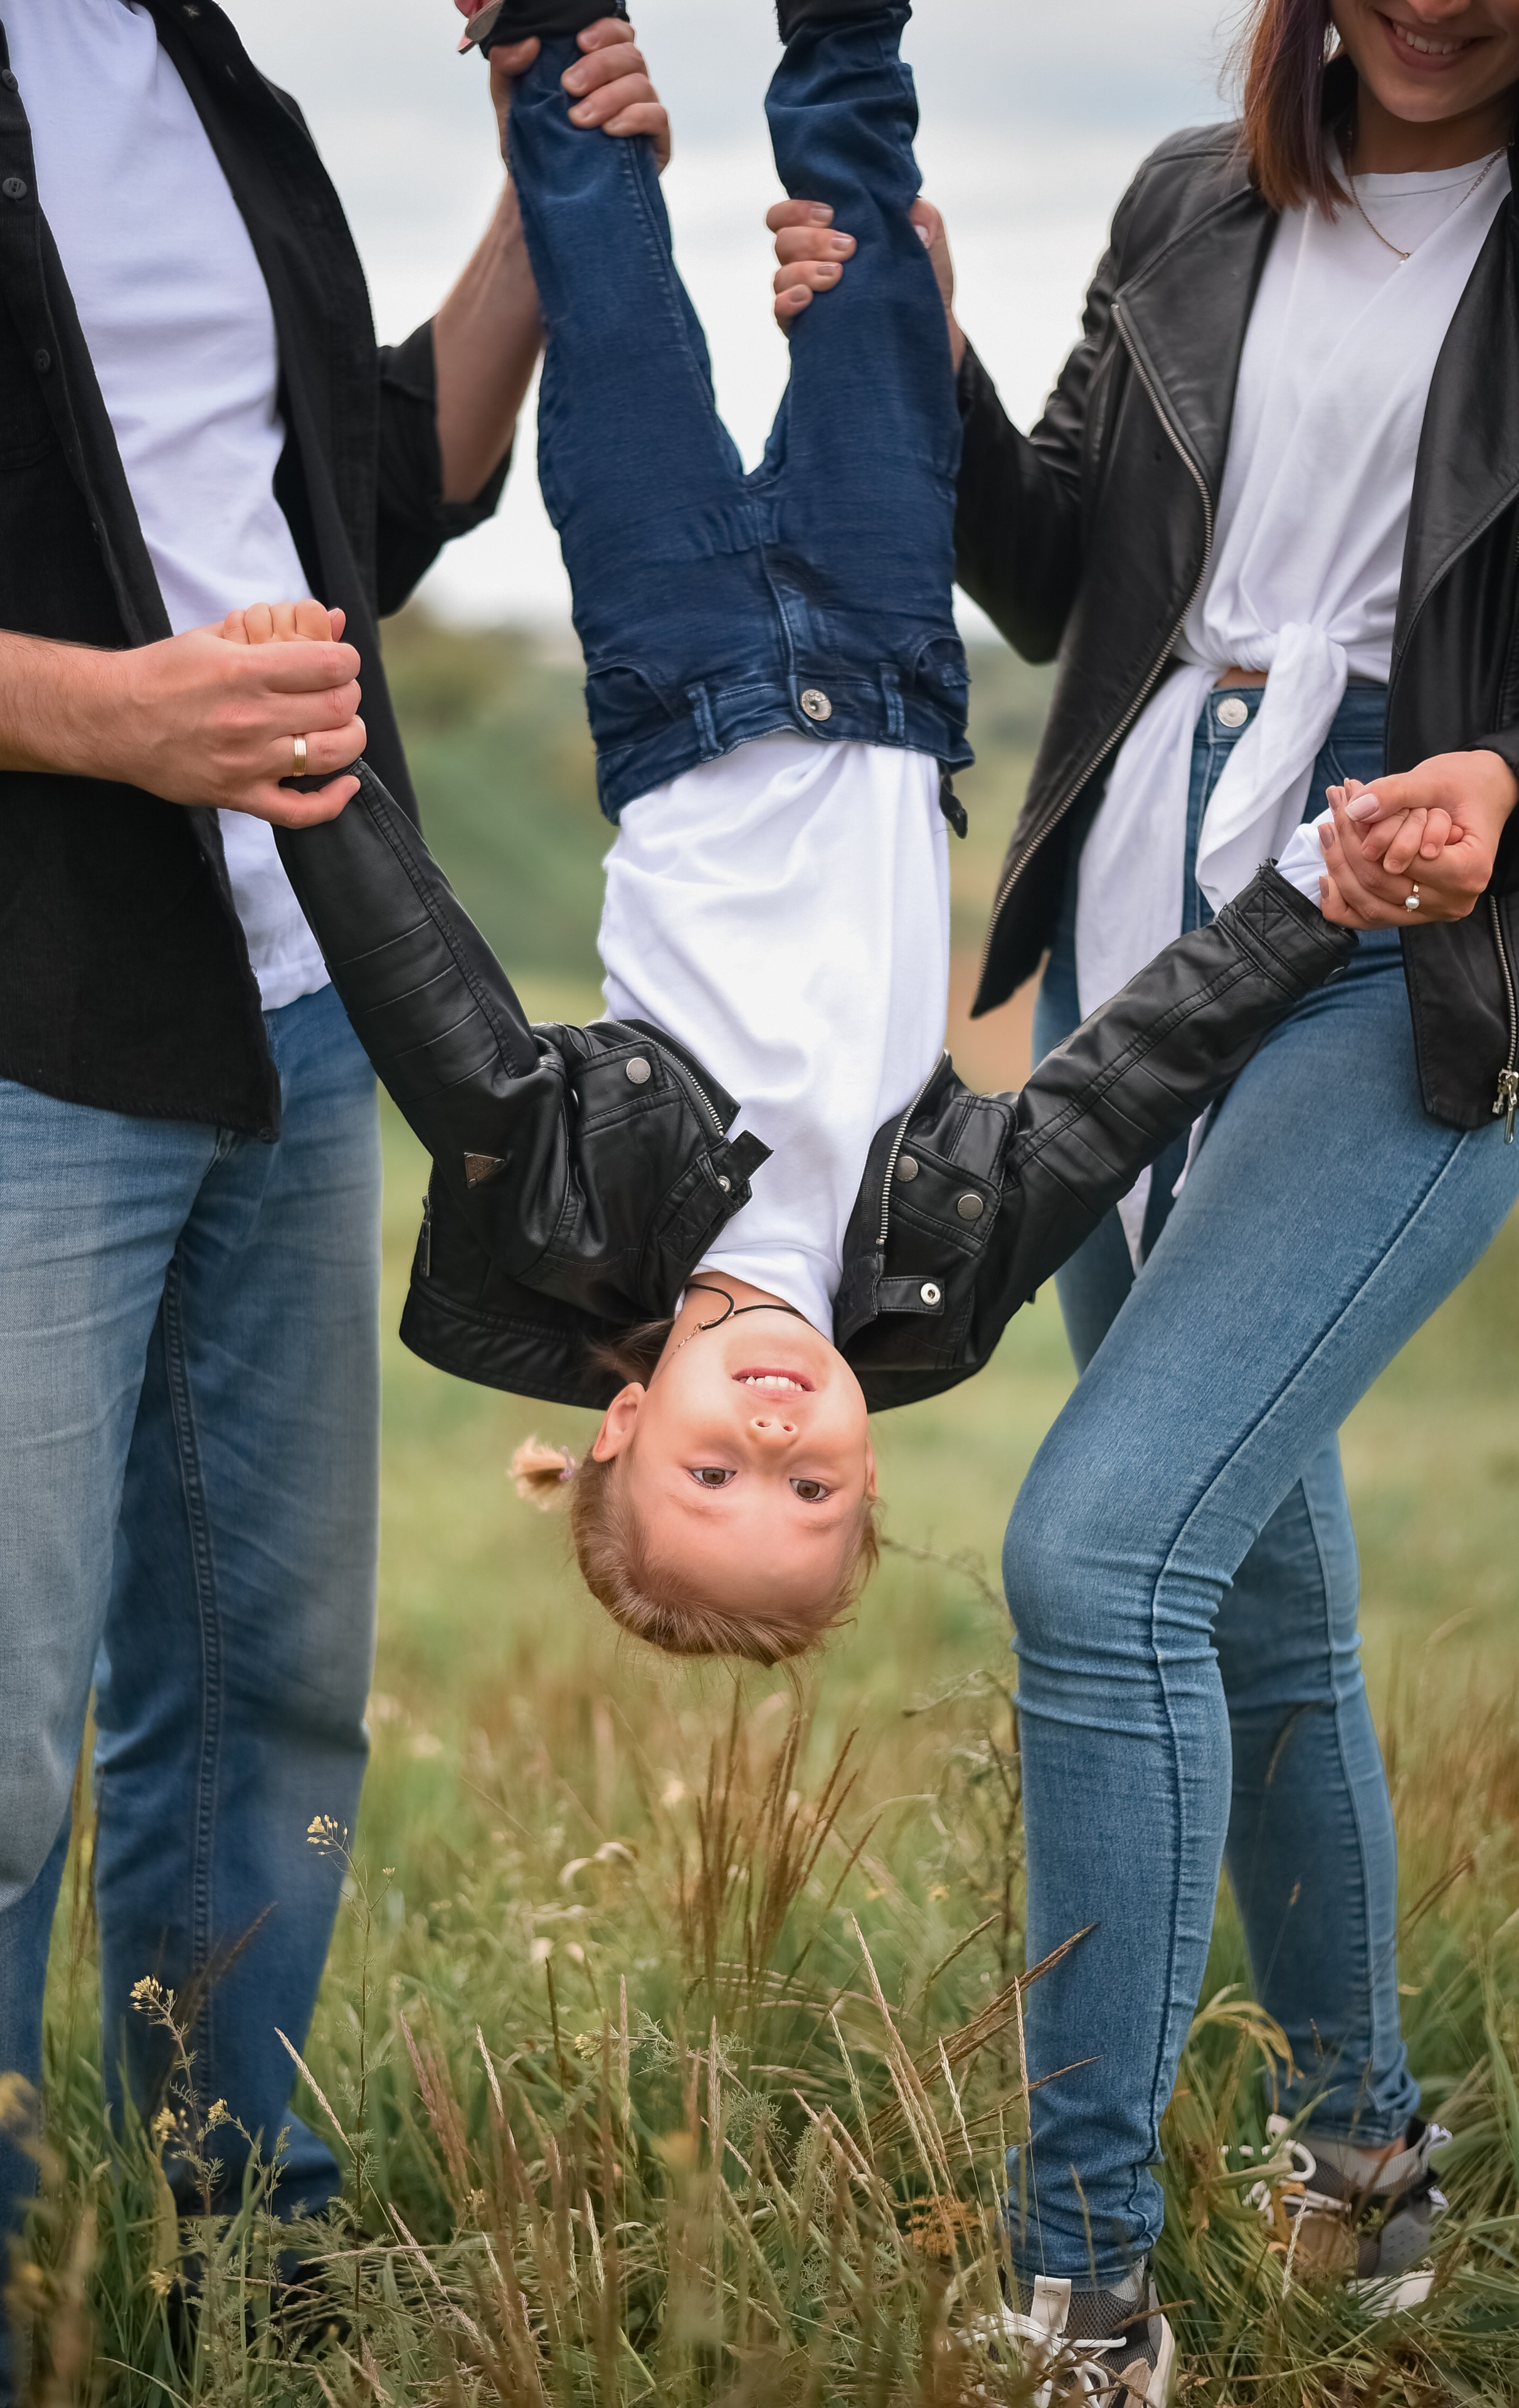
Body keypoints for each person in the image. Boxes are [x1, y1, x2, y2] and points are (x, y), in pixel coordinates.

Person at [271, 0, 1355, 1703]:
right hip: (892, 646)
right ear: (873, 1459)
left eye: (718, 1474)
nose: (776, 1436)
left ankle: (553, 27)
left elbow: (442, 1022)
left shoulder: (568, 1219)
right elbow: (1131, 1075)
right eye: (815, 1485)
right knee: (858, 215)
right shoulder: (950, 1268)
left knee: (603, 270)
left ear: (626, 1424)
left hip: (669, 654)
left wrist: (316, 791)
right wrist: (1309, 904)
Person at [0, 2, 663, 2394]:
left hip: (305, 997)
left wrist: (543, 203)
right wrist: (115, 715)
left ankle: (251, 2280)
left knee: (264, 1708)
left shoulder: (200, 60)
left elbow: (363, 482)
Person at [769, 0, 1519, 2382]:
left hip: (1409, 915)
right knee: (1258, 1590)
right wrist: (922, 343)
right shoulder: (1195, 201)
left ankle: (1084, 2291)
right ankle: (1370, 2176)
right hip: (1139, 904)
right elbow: (1061, 571)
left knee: (1103, 1558)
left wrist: (1509, 771)